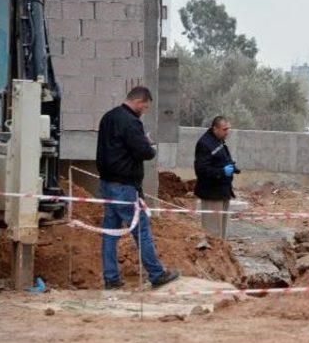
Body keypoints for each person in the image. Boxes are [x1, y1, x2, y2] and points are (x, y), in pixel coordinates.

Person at [96, 86, 180, 290]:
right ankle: (157, 274)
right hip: (124, 186)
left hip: (107, 183)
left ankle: (111, 277)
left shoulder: (108, 117)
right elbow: (145, 152)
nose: (145, 110)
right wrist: (147, 143)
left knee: (111, 232)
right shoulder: (131, 122)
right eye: (145, 106)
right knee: (141, 229)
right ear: (139, 101)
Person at [194, 116, 239, 239]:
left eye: (228, 129)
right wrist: (222, 171)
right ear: (215, 129)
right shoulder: (204, 144)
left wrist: (231, 166)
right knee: (212, 232)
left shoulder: (218, 140)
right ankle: (210, 254)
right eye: (224, 129)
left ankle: (220, 253)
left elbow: (221, 158)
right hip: (211, 194)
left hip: (223, 191)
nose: (227, 132)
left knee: (221, 230)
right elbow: (201, 170)